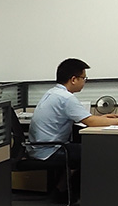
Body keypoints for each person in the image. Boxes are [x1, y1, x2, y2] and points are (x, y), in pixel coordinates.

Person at [28, 58, 118, 198]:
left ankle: (62, 189)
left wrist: (105, 118)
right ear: (74, 79)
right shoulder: (66, 98)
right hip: (50, 150)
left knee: (86, 148)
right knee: (96, 153)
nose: (84, 82)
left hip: (41, 147)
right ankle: (71, 192)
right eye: (84, 78)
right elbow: (91, 121)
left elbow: (89, 119)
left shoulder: (53, 93)